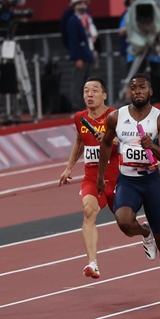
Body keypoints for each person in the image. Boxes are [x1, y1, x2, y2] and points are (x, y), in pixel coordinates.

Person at [96, 74, 160, 313]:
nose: (137, 91)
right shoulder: (116, 117)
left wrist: (152, 146)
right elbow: (107, 144)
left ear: (151, 91)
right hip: (127, 182)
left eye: (142, 87)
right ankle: (144, 232)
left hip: (151, 183)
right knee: (123, 221)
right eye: (133, 88)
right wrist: (101, 177)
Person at [58, 77, 120, 279]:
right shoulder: (80, 118)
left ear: (104, 96)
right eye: (86, 91)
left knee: (126, 223)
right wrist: (69, 168)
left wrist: (111, 139)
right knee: (88, 212)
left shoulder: (115, 116)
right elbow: (79, 141)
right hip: (93, 178)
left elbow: (128, 142)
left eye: (94, 90)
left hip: (118, 178)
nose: (90, 94)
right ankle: (93, 263)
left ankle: (146, 234)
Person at [67, 0, 94, 112]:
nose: (82, 6)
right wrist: (77, 58)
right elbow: (73, 41)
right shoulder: (73, 21)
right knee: (78, 82)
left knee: (86, 82)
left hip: (86, 54)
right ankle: (76, 106)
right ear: (73, 6)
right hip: (81, 56)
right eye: (79, 4)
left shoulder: (84, 20)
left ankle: (84, 104)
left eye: (83, 3)